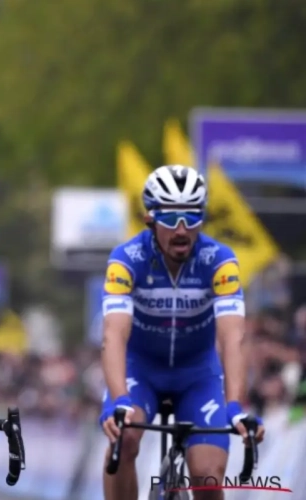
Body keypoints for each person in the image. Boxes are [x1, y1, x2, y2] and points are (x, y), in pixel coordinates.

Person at [99, 165, 266, 500]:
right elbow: (113, 336)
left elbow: (233, 338)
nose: (180, 229)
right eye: (170, 217)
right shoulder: (126, 259)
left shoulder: (219, 261)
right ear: (150, 217)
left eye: (191, 217)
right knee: (125, 437)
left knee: (207, 475)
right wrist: (118, 400)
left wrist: (235, 404)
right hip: (140, 370)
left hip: (198, 375)